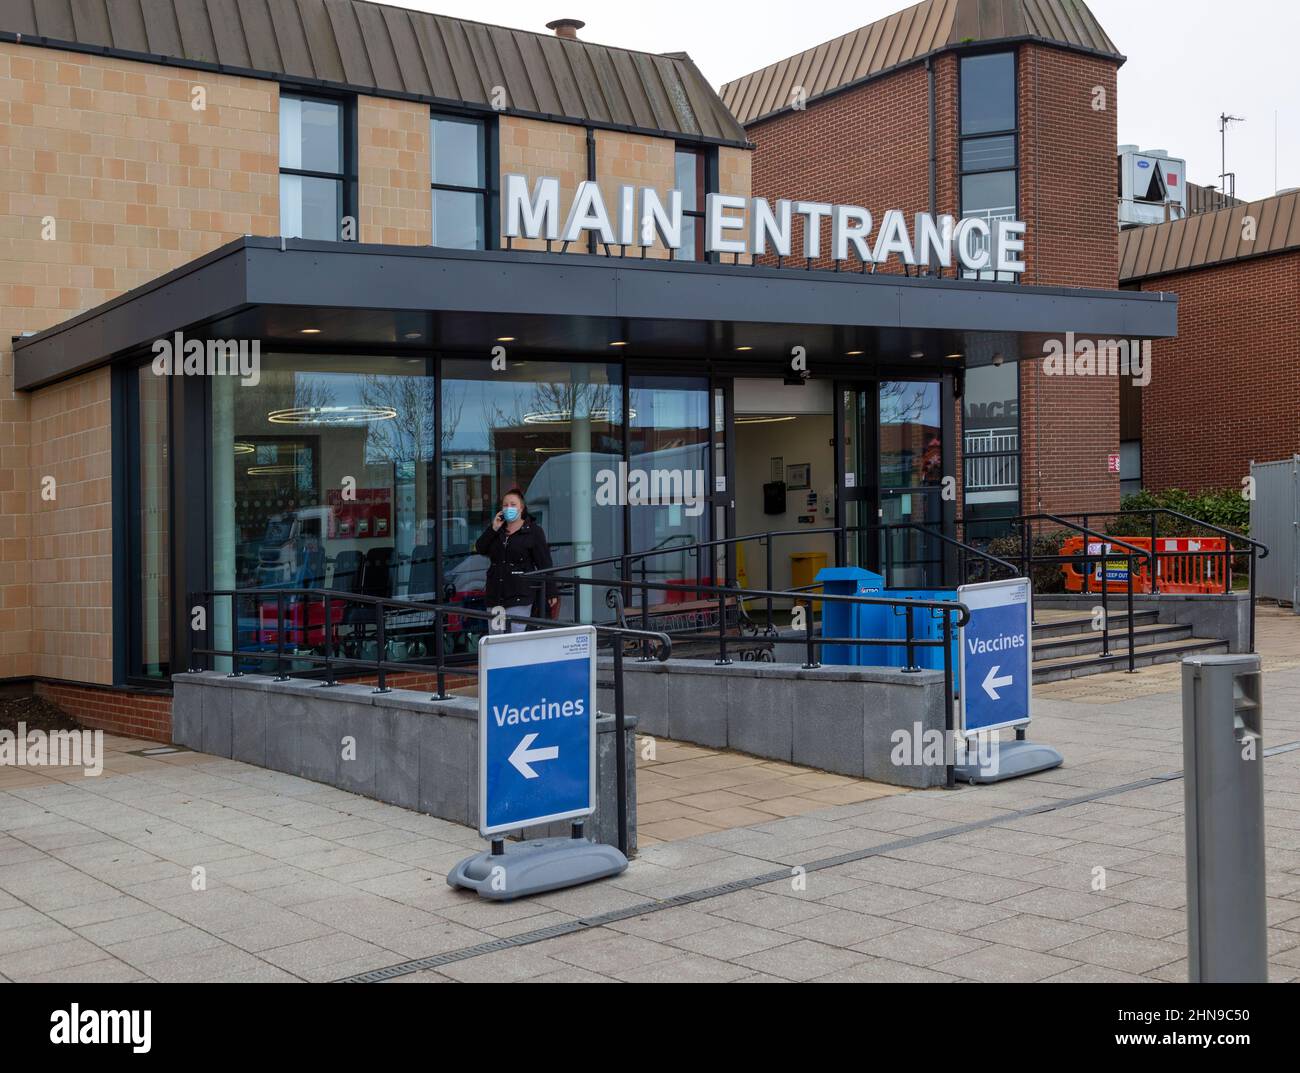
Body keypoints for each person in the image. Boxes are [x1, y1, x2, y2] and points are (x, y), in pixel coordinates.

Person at [474, 488, 558, 632]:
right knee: (496, 638)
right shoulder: (497, 530)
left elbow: (544, 563)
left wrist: (551, 591)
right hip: (496, 594)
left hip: (520, 594)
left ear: (521, 507)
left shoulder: (533, 531)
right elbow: (480, 548)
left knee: (515, 636)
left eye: (513, 505)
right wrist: (493, 528)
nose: (508, 508)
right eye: (505, 505)